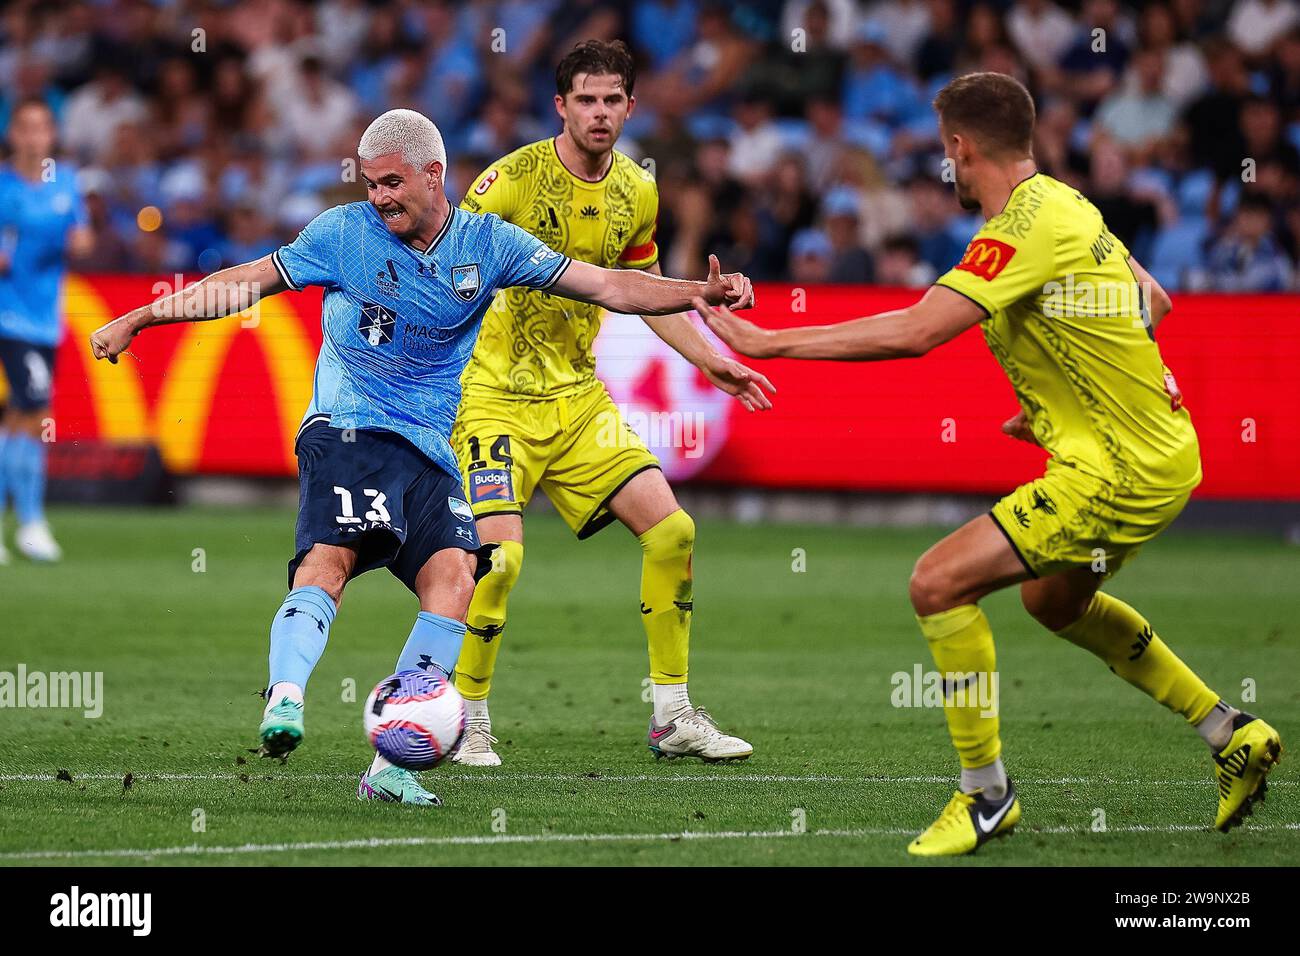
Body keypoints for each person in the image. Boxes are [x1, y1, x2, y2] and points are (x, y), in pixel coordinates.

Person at [89, 108, 754, 806]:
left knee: (456, 581)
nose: (378, 197)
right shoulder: (341, 235)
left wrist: (697, 294)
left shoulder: (489, 245)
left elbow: (609, 285)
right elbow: (240, 283)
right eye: (371, 184)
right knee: (331, 561)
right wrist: (141, 317)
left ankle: (390, 767)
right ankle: (284, 697)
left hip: (432, 448)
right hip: (349, 431)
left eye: (391, 183)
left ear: (433, 174)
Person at [693, 72, 1282, 856]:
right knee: (1052, 602)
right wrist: (1060, 402)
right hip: (1160, 452)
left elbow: (917, 332)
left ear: (961, 148)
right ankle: (1229, 732)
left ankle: (985, 796)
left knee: (937, 583)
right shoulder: (1074, 205)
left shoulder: (1023, 227)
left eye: (950, 155)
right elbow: (1154, 302)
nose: (953, 169)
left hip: (1116, 470)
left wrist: (769, 343)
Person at [454, 40, 773, 766]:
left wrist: (709, 359)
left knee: (674, 534)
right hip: (493, 398)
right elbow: (448, 276)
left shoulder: (638, 190)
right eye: (585, 100)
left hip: (577, 401)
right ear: (560, 106)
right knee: (497, 561)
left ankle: (672, 716)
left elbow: (643, 293)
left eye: (612, 100)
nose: (599, 113)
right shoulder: (507, 183)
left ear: (631, 106)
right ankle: (467, 716)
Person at [0, 98, 93, 564]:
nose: (35, 136)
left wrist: (76, 240)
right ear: (13, 133)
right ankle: (32, 521)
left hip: (45, 319)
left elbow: (83, 235)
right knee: (35, 409)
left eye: (42, 127)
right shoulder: (3, 188)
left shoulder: (66, 182)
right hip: (9, 315)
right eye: (26, 127)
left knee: (20, 415)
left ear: (51, 135)